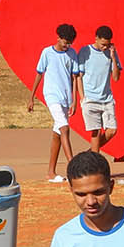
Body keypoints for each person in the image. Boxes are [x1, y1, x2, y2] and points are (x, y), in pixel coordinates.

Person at [32, 23, 84, 184]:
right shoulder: (47, 53)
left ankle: (51, 173)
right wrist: (31, 97)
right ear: (58, 38)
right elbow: (39, 74)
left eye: (70, 43)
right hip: (51, 95)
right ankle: (73, 169)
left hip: (66, 97)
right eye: (65, 42)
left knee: (57, 133)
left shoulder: (72, 54)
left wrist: (74, 100)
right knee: (64, 128)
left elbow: (74, 78)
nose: (67, 45)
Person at [80, 26, 123, 160]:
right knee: (96, 132)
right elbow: (79, 76)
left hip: (107, 99)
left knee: (112, 130)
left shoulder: (111, 52)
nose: (105, 47)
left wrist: (113, 57)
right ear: (96, 38)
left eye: (107, 44)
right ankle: (95, 160)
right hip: (90, 98)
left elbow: (116, 77)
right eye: (103, 44)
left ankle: (90, 153)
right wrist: (82, 97)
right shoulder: (85, 51)